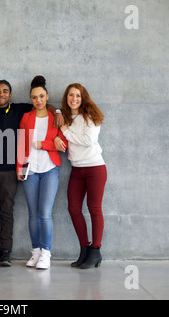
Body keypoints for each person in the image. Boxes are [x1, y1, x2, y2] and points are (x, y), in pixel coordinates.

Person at [0, 80, 64, 267]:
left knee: (8, 212)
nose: (1, 94)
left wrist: (57, 111)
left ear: (11, 94)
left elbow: (44, 106)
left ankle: (6, 254)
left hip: (11, 171)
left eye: (5, 91)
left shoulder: (20, 110)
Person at [16, 76, 68, 269]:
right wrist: (19, 168)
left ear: (47, 97)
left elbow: (63, 144)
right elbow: (21, 144)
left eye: (41, 96)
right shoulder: (26, 118)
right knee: (32, 214)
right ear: (31, 99)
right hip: (30, 170)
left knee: (45, 213)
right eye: (34, 97)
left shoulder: (56, 117)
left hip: (49, 170)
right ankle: (35, 252)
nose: (38, 100)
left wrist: (44, 144)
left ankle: (46, 253)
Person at [60, 83, 107, 269]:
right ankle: (84, 249)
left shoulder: (91, 116)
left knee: (94, 208)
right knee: (73, 209)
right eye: (71, 95)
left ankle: (96, 251)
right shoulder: (66, 117)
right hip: (77, 169)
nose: (74, 99)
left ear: (83, 97)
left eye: (78, 96)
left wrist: (64, 131)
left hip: (95, 168)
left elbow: (89, 141)